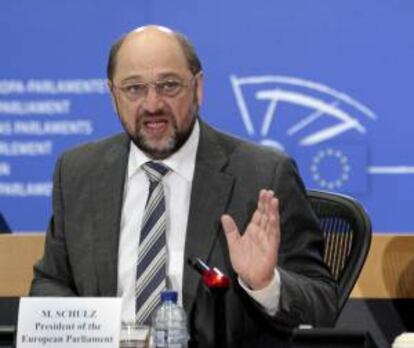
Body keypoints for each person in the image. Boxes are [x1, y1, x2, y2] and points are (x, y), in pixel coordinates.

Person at [30, 25, 337, 347]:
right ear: (113, 95)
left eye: (169, 85)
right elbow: (52, 282)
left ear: (198, 87)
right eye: (134, 88)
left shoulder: (263, 173)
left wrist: (265, 283)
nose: (152, 104)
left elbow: (322, 304)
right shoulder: (79, 171)